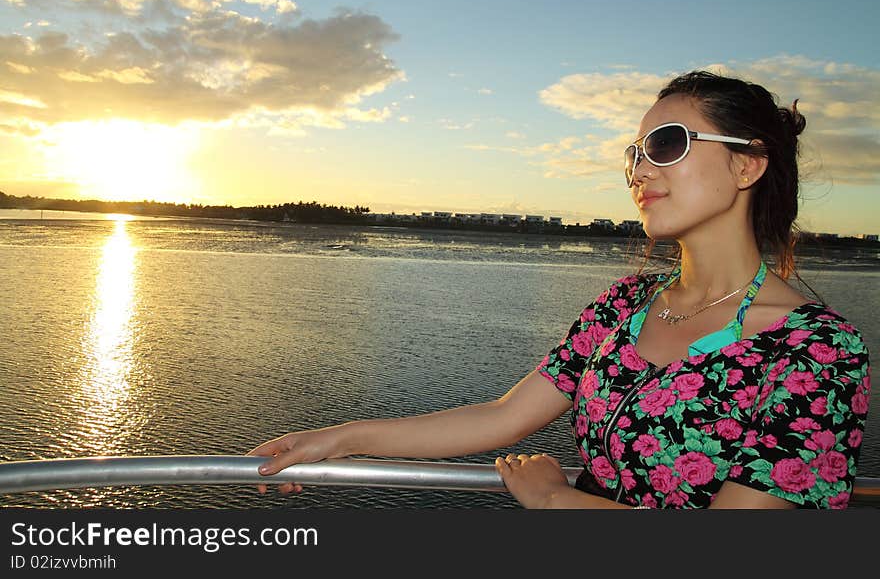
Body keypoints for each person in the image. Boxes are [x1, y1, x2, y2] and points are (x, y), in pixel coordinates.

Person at [249, 70, 871, 509]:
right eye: (634, 155)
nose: (640, 171)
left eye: (666, 145)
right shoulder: (624, 307)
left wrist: (553, 499)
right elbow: (503, 417)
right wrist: (336, 438)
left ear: (746, 164)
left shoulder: (817, 350)